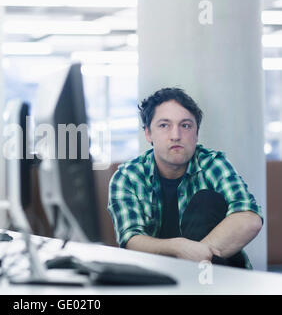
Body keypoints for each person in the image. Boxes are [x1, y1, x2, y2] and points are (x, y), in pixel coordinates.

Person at [107, 87, 263, 269]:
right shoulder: (128, 177)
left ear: (196, 134)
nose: (176, 136)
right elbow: (131, 239)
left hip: (219, 275)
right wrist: (178, 247)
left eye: (186, 126)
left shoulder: (212, 164)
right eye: (164, 125)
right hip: (157, 277)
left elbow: (249, 218)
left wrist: (194, 256)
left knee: (206, 201)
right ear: (148, 133)